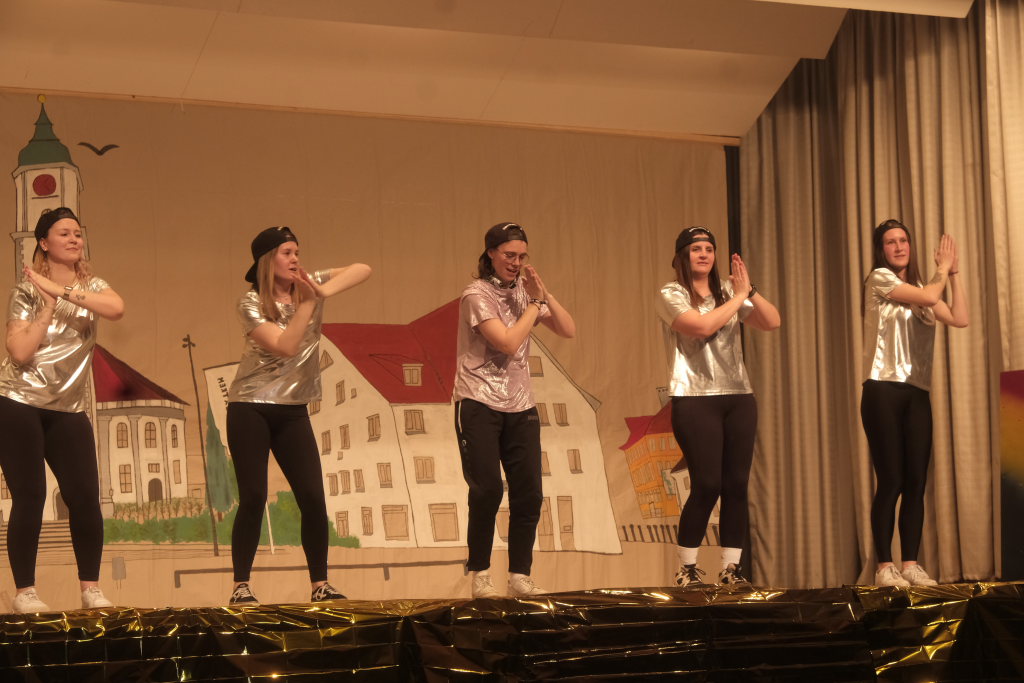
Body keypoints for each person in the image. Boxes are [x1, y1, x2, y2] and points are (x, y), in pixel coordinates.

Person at [225, 226, 371, 605]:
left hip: (292, 410)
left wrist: (322, 291)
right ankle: (241, 586)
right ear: (267, 260)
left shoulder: (308, 284)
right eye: (287, 253)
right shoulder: (250, 302)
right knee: (254, 497)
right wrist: (310, 302)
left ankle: (320, 584)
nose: (295, 259)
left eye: (297, 252)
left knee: (312, 496)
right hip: (251, 406)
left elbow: (363, 268)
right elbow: (286, 346)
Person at [0, 207, 125, 613]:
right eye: (64, 233)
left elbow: (116, 308)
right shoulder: (26, 291)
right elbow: (19, 352)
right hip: (19, 401)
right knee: (30, 496)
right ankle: (25, 592)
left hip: (68, 408)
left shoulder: (93, 286)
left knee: (85, 496)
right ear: (43, 242)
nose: (74, 239)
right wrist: (48, 304)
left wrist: (62, 291)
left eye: (77, 233)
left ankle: (90, 589)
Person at [453, 222, 576, 598]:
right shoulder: (476, 294)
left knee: (529, 492)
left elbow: (568, 329)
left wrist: (544, 295)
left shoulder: (526, 293)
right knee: (488, 490)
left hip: (520, 404)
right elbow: (506, 342)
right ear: (491, 253)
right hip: (478, 401)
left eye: (522, 256)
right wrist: (535, 305)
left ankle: (520, 574)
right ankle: (480, 573)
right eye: (509, 255)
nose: (516, 262)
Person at [656, 226, 780, 588]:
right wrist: (738, 297)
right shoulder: (672, 293)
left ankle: (731, 569)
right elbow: (700, 327)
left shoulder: (729, 292)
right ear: (683, 255)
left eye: (709, 249)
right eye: (696, 249)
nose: (704, 254)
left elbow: (772, 321)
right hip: (695, 398)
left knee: (736, 484)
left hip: (738, 395)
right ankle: (687, 569)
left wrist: (749, 291)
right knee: (707, 484)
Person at [861, 219, 968, 587]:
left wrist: (954, 274)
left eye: (903, 240)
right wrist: (942, 270)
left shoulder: (925, 288)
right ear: (882, 250)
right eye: (890, 242)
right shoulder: (880, 279)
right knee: (890, 479)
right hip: (883, 389)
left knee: (916, 481)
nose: (899, 247)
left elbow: (960, 318)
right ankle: (883, 566)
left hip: (917, 392)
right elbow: (930, 298)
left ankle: (910, 563)